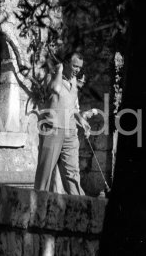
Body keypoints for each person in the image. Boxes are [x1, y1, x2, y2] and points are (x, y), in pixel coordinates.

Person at [34, 52, 90, 195]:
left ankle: (79, 208)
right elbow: (55, 89)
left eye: (79, 67)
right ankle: (38, 209)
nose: (77, 70)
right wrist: (59, 70)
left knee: (72, 174)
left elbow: (73, 108)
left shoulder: (75, 82)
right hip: (52, 129)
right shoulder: (51, 78)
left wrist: (81, 120)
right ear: (65, 63)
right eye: (75, 66)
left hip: (70, 133)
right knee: (45, 174)